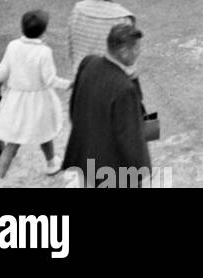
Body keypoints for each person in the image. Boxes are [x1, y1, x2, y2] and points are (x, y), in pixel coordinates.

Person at [62, 22, 152, 187]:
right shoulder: (125, 88)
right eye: (137, 49)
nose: (139, 53)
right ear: (124, 52)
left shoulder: (88, 63)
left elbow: (74, 107)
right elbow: (132, 139)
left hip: (84, 155)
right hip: (111, 170)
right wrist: (143, 174)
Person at [0, 10, 69, 182]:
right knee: (45, 133)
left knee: (13, 142)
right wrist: (68, 84)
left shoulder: (13, 46)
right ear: (43, 31)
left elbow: (3, 69)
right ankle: (51, 163)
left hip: (16, 101)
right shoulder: (44, 52)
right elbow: (49, 79)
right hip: (39, 101)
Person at [68, 0, 135, 73]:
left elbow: (71, 49)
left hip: (83, 78)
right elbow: (128, 60)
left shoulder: (77, 10)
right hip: (110, 82)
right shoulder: (123, 18)